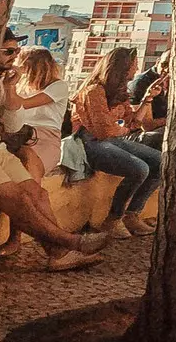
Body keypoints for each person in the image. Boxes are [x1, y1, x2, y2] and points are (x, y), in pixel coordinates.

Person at [0, 27, 107, 271]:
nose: (14, 58)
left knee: (37, 194)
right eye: (9, 51)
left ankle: (58, 254)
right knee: (15, 197)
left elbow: (13, 124)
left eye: (16, 52)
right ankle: (69, 243)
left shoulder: (2, 84)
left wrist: (9, 91)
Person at [73, 45, 163, 236]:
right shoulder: (93, 91)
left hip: (113, 139)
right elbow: (102, 130)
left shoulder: (119, 92)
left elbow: (133, 122)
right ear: (121, 67)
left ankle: (132, 215)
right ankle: (112, 219)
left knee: (162, 163)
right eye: (134, 65)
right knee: (140, 169)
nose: (136, 69)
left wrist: (147, 100)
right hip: (89, 142)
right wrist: (123, 129)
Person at [2, 46, 71, 178]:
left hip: (45, 137)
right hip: (18, 133)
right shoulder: (22, 87)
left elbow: (23, 104)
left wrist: (10, 85)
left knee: (29, 173)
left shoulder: (58, 86)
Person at [125, 53, 170, 145]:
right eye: (164, 64)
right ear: (157, 62)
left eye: (171, 65)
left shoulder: (175, 82)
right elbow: (147, 125)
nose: (167, 69)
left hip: (159, 128)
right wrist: (170, 120)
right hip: (134, 135)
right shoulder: (141, 83)